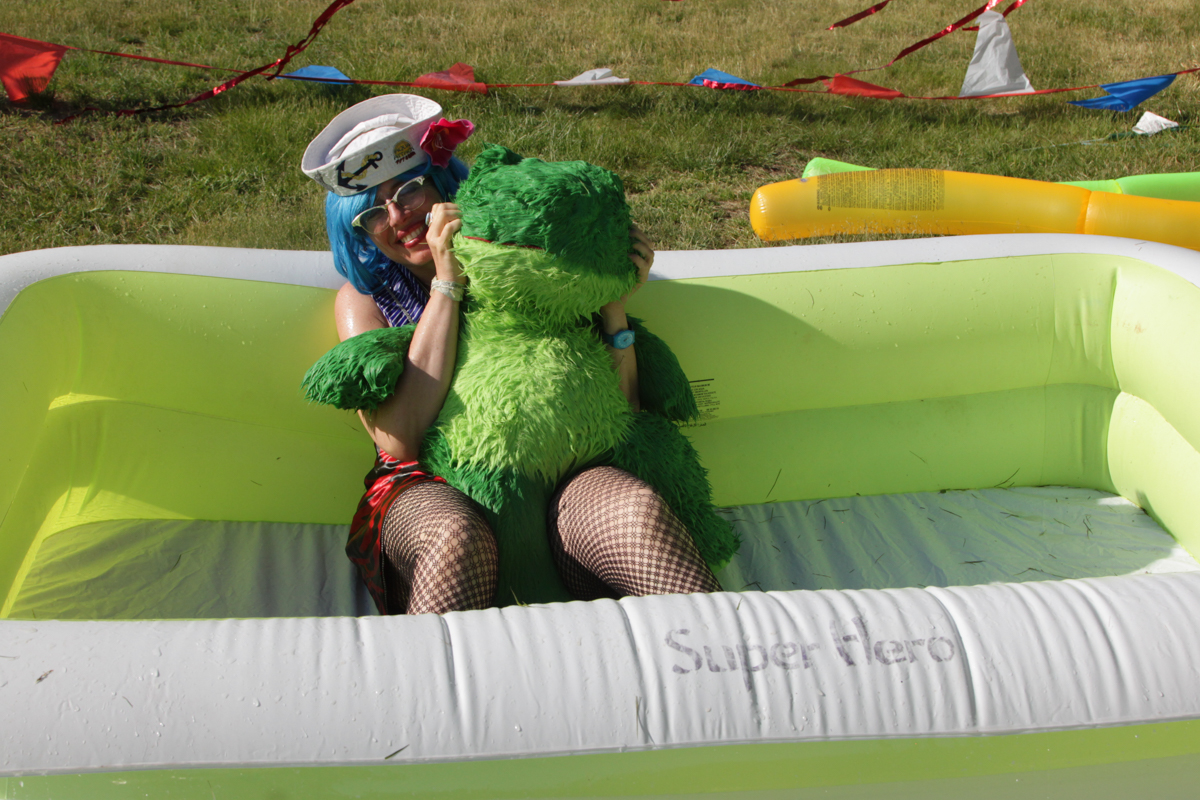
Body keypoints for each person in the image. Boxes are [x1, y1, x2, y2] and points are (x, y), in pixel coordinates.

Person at [302, 94, 720, 615]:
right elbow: (400, 440)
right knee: (454, 535)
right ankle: (428, 670)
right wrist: (447, 284)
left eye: (409, 189)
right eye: (371, 212)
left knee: (635, 510)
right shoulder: (364, 300)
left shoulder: (523, 262)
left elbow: (624, 412)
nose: (397, 215)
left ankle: (727, 656)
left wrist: (613, 306)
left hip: (563, 475)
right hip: (426, 485)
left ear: (443, 183)